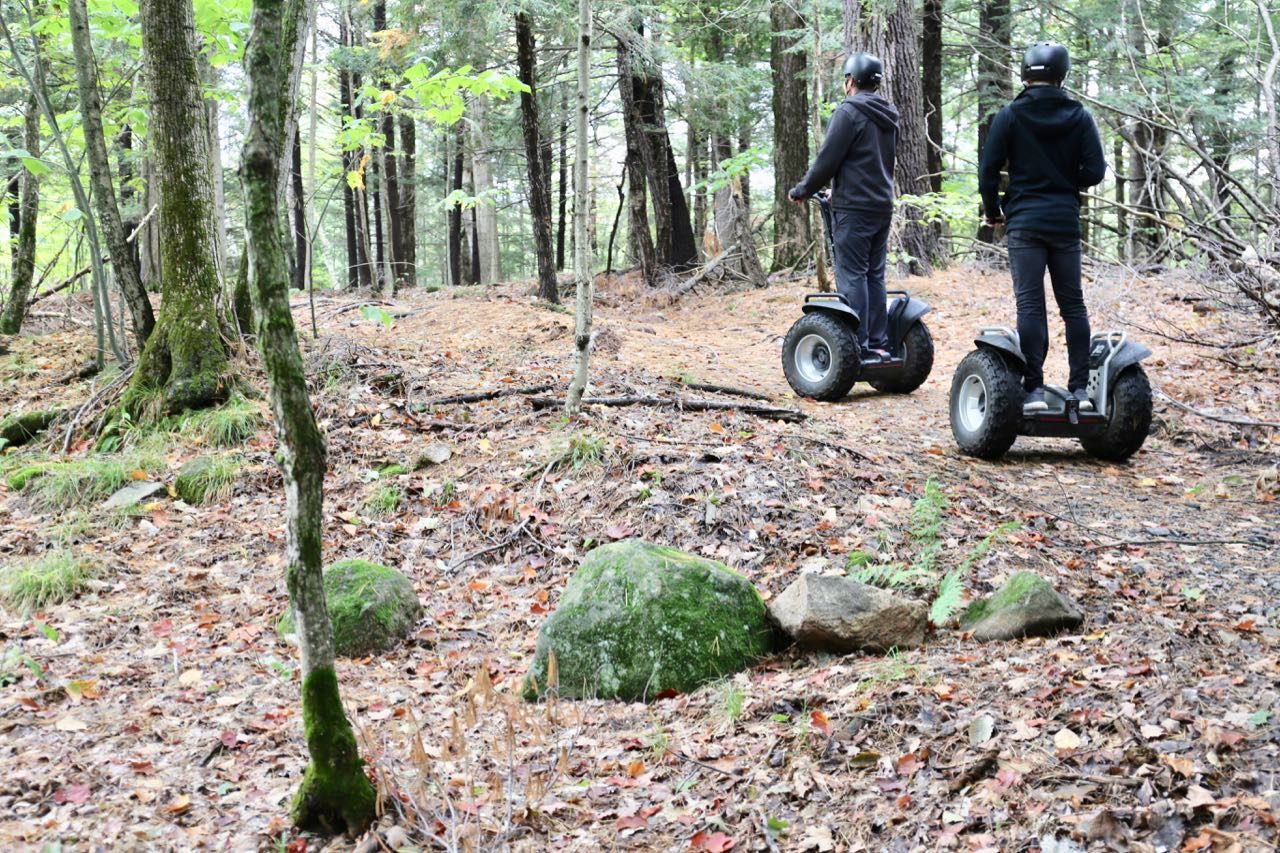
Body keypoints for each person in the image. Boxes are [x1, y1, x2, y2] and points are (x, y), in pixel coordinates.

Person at [979, 41, 1107, 413]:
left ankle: (1034, 390)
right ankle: (1079, 391)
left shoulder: (1010, 115)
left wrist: (994, 209)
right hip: (1064, 222)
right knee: (1074, 306)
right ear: (1061, 73)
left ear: (1025, 72)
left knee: (1031, 305)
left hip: (1024, 222)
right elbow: (1096, 172)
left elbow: (988, 171)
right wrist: (1068, 180)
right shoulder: (1080, 116)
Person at [788, 52, 899, 362]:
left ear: (851, 80)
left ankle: (857, 345)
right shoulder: (889, 114)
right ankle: (878, 342)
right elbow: (876, 161)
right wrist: (840, 189)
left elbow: (828, 160)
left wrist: (802, 190)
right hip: (881, 205)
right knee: (874, 275)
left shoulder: (848, 113)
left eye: (845, 78)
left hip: (855, 209)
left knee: (851, 275)